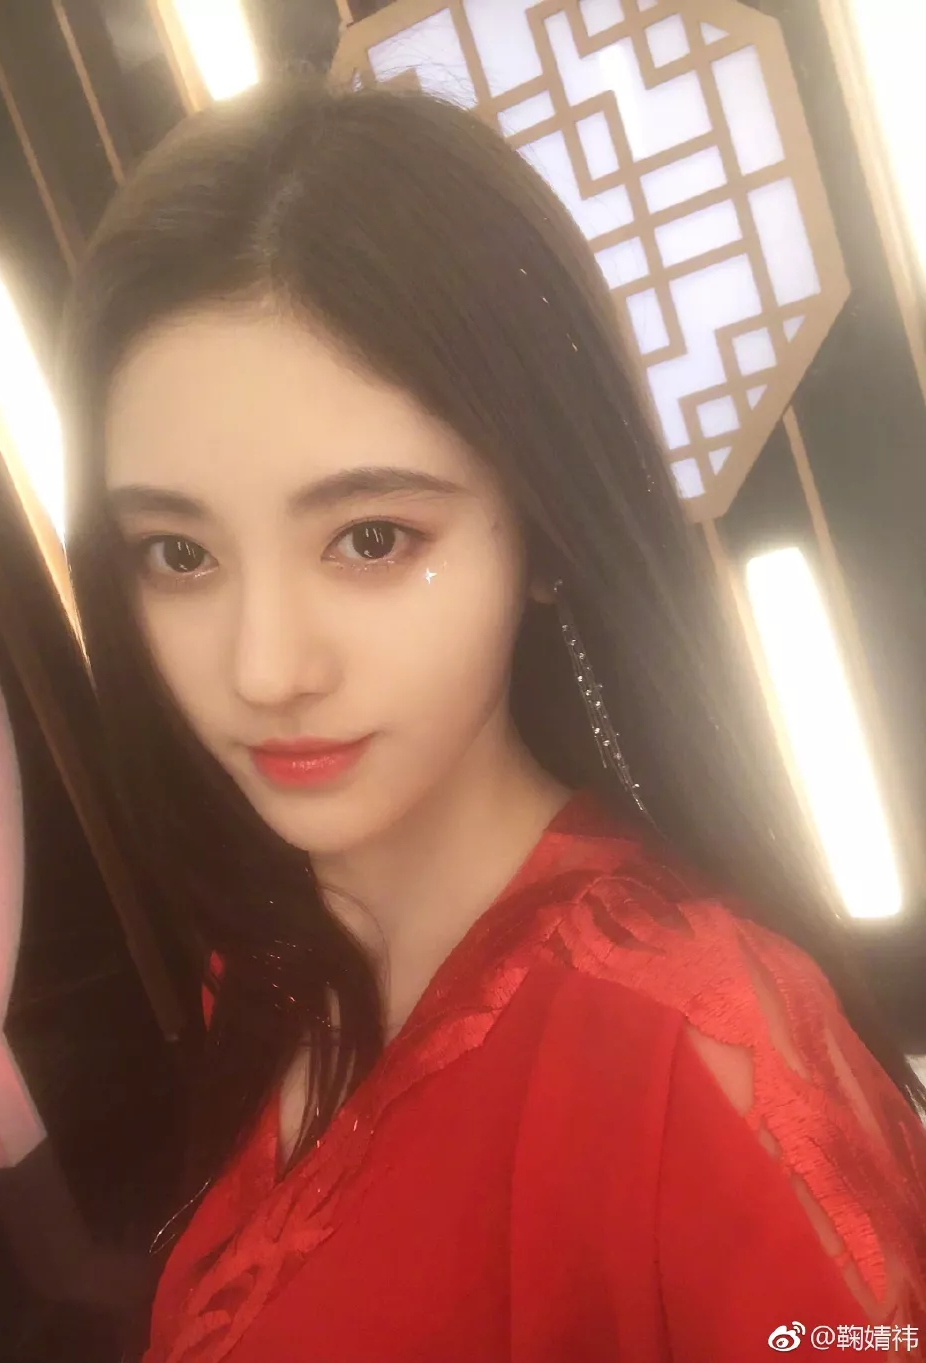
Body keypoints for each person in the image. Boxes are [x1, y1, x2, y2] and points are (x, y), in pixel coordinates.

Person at [58, 80, 926, 1363]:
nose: (265, 667)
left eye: (371, 538)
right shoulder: (269, 954)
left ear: (543, 532)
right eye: (179, 554)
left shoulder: (696, 1052)